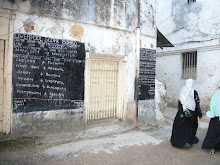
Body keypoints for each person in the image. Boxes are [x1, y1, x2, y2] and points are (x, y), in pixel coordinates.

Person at [170, 79, 202, 148]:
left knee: (181, 127)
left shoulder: (183, 91)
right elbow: (197, 103)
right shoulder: (194, 92)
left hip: (182, 114)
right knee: (189, 127)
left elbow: (180, 102)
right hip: (192, 114)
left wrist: (181, 112)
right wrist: (199, 114)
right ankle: (188, 140)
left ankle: (178, 142)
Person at [202, 83, 220, 155]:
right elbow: (213, 105)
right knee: (214, 133)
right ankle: (213, 148)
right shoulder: (217, 94)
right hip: (216, 117)